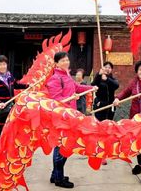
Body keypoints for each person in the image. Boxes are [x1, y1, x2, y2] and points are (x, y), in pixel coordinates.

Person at [46, 52, 97, 189]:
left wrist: (91, 88)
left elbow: (77, 87)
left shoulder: (66, 75)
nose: (66, 62)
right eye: (62, 60)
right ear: (56, 63)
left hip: (70, 116)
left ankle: (55, 174)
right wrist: (70, 99)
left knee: (62, 146)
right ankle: (59, 178)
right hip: (61, 118)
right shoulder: (55, 79)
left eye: (67, 59)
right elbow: (56, 101)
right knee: (62, 147)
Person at [0, 55, 28, 141]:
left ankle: (7, 152)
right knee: (0, 133)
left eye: (4, 64)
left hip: (10, 108)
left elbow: (16, 84)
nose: (3, 66)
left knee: (9, 131)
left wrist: (28, 86)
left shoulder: (9, 77)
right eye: (0, 65)